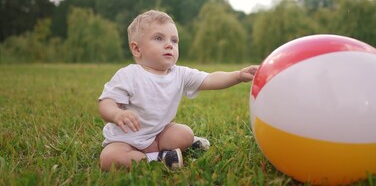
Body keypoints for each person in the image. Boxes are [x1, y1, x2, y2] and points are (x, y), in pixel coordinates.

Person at [98, 9, 258, 171]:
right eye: (159, 38)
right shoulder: (129, 75)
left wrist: (238, 75)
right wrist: (117, 114)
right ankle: (158, 158)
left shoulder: (179, 73)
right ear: (137, 49)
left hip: (158, 135)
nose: (169, 44)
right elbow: (106, 102)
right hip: (125, 140)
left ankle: (180, 145)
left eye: (174, 40)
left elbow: (210, 79)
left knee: (184, 134)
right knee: (109, 158)